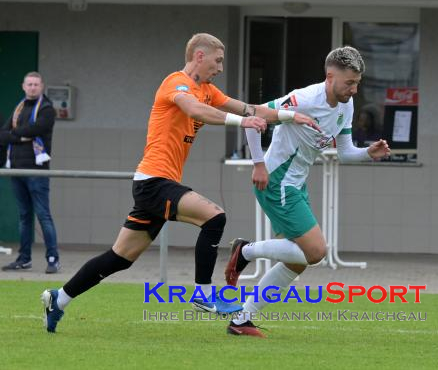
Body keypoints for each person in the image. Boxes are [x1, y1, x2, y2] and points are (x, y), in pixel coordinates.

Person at [40, 33, 318, 333]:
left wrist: (290, 116)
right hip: (153, 182)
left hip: (157, 185)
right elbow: (196, 110)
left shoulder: (208, 90)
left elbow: (251, 109)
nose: (220, 67)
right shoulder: (176, 83)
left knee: (120, 258)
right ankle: (203, 294)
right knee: (215, 216)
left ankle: (59, 299)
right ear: (199, 56)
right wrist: (242, 122)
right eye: (218, 60)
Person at [224, 46, 391, 338]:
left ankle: (241, 320)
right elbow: (254, 116)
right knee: (315, 252)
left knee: (296, 262)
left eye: (357, 84)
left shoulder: (346, 105)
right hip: (276, 181)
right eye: (348, 83)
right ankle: (245, 250)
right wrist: (258, 164)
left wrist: (368, 153)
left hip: (295, 185)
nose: (353, 90)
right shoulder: (305, 98)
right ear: (330, 76)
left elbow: (346, 153)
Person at [0, 72, 60, 274]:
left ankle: (53, 259)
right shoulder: (19, 108)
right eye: (29, 84)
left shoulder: (47, 109)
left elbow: (37, 129)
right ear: (23, 86)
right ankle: (24, 259)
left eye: (36, 84)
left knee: (43, 215)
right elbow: (3, 134)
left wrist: (15, 134)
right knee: (24, 216)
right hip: (17, 169)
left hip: (37, 171)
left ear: (42, 86)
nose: (32, 87)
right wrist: (20, 135)